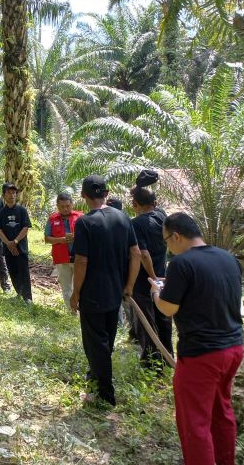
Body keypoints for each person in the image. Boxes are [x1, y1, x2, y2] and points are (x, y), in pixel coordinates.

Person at [150, 212, 244, 465]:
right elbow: (207, 288)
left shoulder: (181, 264)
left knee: (195, 423)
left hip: (203, 354)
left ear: (177, 236)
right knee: (220, 411)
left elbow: (168, 308)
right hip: (233, 348)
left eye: (167, 240)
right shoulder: (227, 258)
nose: (167, 247)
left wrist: (156, 293)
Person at [70, 174, 140, 407]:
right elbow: (136, 254)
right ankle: (95, 377)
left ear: (83, 196)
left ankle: (105, 393)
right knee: (106, 340)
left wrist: (75, 292)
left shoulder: (84, 223)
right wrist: (129, 286)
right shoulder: (123, 218)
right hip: (115, 292)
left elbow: (81, 261)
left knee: (95, 343)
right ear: (106, 194)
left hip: (92, 294)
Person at [129, 183, 172, 369]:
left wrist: (152, 277)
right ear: (154, 202)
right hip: (163, 274)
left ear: (134, 204)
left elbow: (142, 254)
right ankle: (168, 355)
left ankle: (152, 362)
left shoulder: (136, 224)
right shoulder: (162, 216)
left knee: (146, 319)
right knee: (163, 315)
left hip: (145, 279)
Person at [0, 183, 33, 303]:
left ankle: (27, 298)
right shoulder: (1, 213)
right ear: (4, 195)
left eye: (14, 193)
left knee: (23, 272)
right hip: (8, 248)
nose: (12, 195)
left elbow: (26, 227)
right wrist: (8, 243)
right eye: (9, 192)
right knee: (13, 271)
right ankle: (19, 293)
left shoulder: (22, 211)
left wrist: (15, 241)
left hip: (20, 247)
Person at [44, 192, 82, 306]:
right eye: (62, 207)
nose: (65, 209)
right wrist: (61, 240)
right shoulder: (52, 219)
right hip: (61, 258)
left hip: (79, 258)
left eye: (67, 206)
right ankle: (71, 312)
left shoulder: (80, 217)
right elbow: (46, 238)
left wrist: (76, 237)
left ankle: (82, 311)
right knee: (66, 287)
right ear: (57, 206)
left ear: (72, 204)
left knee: (80, 286)